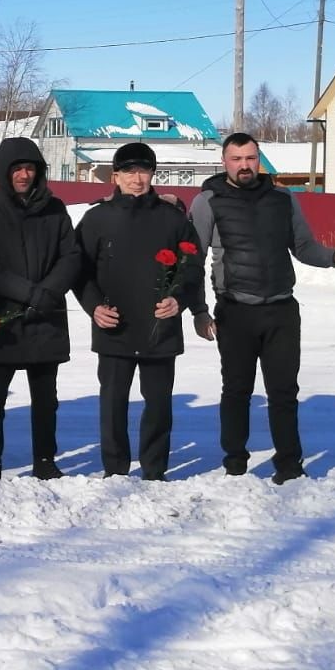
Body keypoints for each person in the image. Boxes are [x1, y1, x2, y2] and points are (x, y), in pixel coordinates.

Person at [189, 132, 335, 484]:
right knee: (236, 390)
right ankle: (235, 463)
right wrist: (199, 311)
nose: (244, 165)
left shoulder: (282, 198)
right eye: (236, 159)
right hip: (235, 311)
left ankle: (289, 465)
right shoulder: (208, 201)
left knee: (284, 392)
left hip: (281, 311)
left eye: (250, 158)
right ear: (224, 162)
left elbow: (303, 246)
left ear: (259, 159)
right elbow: (193, 259)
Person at [73, 141, 206, 481]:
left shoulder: (172, 219)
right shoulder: (96, 218)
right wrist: (93, 307)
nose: (137, 178)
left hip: (159, 327)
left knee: (158, 404)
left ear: (152, 174)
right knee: (113, 404)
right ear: (115, 176)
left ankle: (155, 469)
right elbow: (78, 270)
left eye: (143, 170)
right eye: (129, 171)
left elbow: (193, 266)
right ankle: (115, 469)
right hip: (114, 324)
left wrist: (179, 299)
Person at [0, 137, 80, 480]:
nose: (24, 175)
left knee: (46, 398)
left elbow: (70, 256)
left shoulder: (55, 210)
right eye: (17, 169)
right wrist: (30, 293)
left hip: (46, 319)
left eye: (30, 168)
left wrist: (49, 293)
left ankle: (45, 459)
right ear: (4, 172)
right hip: (3, 319)